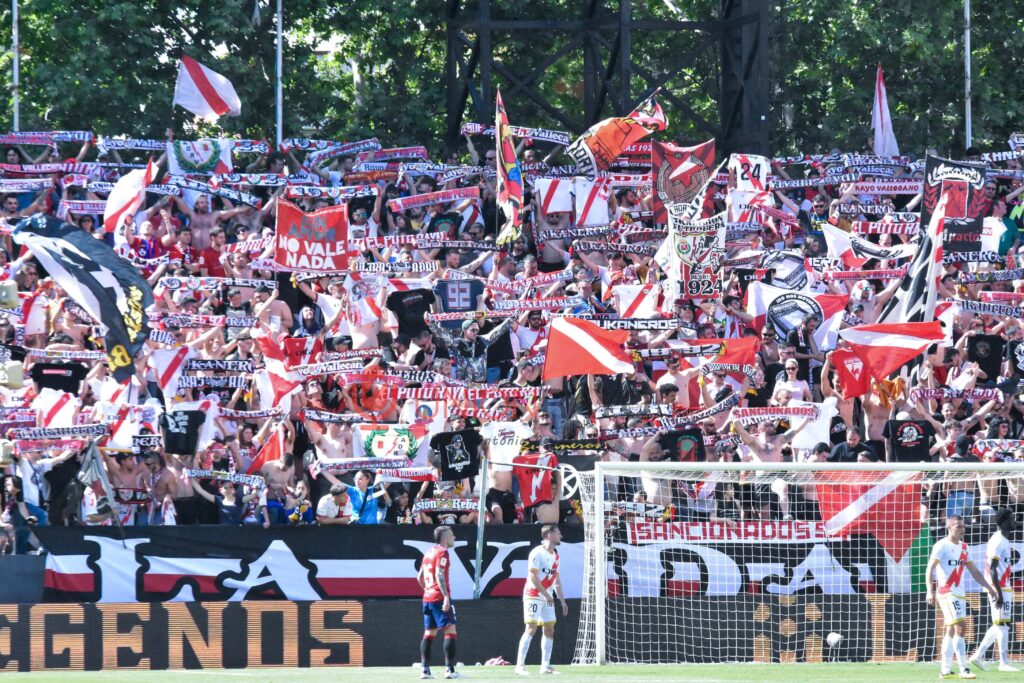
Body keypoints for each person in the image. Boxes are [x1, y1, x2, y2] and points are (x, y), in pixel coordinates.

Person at [926, 515, 999, 680]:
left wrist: (990, 588)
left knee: (951, 630)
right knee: (961, 626)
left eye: (963, 526)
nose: (962, 529)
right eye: (958, 526)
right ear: (949, 527)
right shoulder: (941, 545)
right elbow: (930, 568)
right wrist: (929, 591)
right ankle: (964, 669)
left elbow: (975, 572)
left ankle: (945, 671)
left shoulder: (965, 547)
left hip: (959, 593)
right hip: (946, 592)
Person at [968, 508, 1021, 672]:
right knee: (1002, 625)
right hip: (999, 588)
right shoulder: (997, 540)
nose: (1014, 521)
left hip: (1003, 587)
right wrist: (997, 591)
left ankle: (977, 656)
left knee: (999, 624)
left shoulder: (1004, 540)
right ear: (1004, 521)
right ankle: (1003, 663)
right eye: (1011, 518)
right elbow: (992, 568)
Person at [515, 523, 568, 676]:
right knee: (531, 629)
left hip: (548, 598)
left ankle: (545, 666)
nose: (561, 536)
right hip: (533, 594)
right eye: (558, 533)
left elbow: (557, 580)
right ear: (549, 535)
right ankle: (520, 666)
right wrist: (546, 595)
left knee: (550, 629)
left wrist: (562, 600)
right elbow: (533, 576)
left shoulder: (556, 556)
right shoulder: (536, 552)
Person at [418, 525, 459, 680]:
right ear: (445, 537)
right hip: (438, 597)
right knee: (450, 632)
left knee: (429, 633)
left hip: (427, 597)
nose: (454, 537)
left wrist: (428, 589)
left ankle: (425, 670)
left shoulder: (428, 552)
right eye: (452, 535)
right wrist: (446, 597)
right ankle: (449, 670)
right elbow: (439, 574)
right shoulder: (443, 552)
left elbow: (419, 577)